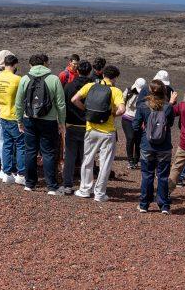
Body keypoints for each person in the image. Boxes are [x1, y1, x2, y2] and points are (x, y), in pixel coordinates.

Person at [14, 53, 67, 195]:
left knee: (30, 151)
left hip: (29, 119)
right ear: (44, 63)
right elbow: (61, 104)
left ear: (30, 65)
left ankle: (30, 184)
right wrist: (62, 122)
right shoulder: (54, 79)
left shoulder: (25, 79)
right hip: (49, 120)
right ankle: (51, 187)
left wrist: (19, 121)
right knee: (48, 152)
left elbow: (18, 103)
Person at [71, 65, 125, 202]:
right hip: (107, 132)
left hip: (91, 128)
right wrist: (112, 114)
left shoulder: (90, 86)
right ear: (115, 78)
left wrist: (86, 110)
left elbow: (74, 99)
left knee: (87, 159)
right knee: (105, 162)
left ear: (103, 74)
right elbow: (122, 110)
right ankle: (99, 193)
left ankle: (84, 189)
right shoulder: (115, 91)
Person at [132, 79, 174, 214]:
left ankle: (144, 204)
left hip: (147, 145)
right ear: (164, 91)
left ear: (149, 91)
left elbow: (135, 125)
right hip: (164, 146)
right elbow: (170, 124)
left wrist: (144, 132)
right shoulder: (168, 107)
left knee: (147, 175)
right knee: (163, 176)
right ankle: (164, 206)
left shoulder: (143, 106)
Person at [0, 54, 26, 185]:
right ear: (15, 64)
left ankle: (7, 173)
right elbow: (22, 98)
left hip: (3, 114)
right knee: (20, 145)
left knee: (7, 144)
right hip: (14, 116)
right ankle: (21, 174)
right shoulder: (17, 79)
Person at [62, 60, 93, 194]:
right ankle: (85, 185)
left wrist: (62, 123)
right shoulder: (93, 87)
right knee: (87, 157)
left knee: (70, 156)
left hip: (71, 124)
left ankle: (67, 184)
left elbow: (63, 105)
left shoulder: (68, 86)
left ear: (77, 71)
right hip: (88, 125)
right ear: (89, 72)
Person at [122, 77, 147, 170]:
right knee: (130, 138)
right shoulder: (129, 90)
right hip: (127, 118)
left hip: (140, 119)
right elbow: (122, 101)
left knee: (138, 141)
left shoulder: (147, 94)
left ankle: (136, 160)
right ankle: (130, 160)